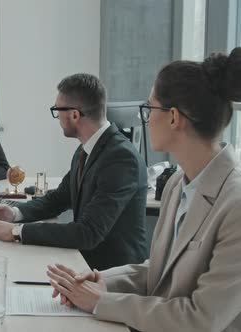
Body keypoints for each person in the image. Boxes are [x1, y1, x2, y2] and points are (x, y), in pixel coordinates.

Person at [46, 48, 241, 332]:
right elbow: (157, 271)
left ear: (174, 118)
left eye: (149, 109)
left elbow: (202, 318)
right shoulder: (177, 183)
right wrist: (100, 281)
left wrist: (101, 302)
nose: (145, 119)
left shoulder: (235, 204)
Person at [0, 73, 147, 270]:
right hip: (85, 264)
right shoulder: (84, 150)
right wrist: (15, 213)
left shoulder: (120, 158)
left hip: (114, 275)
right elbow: (59, 198)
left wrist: (17, 232)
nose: (57, 116)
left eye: (57, 110)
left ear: (74, 115)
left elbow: (88, 232)